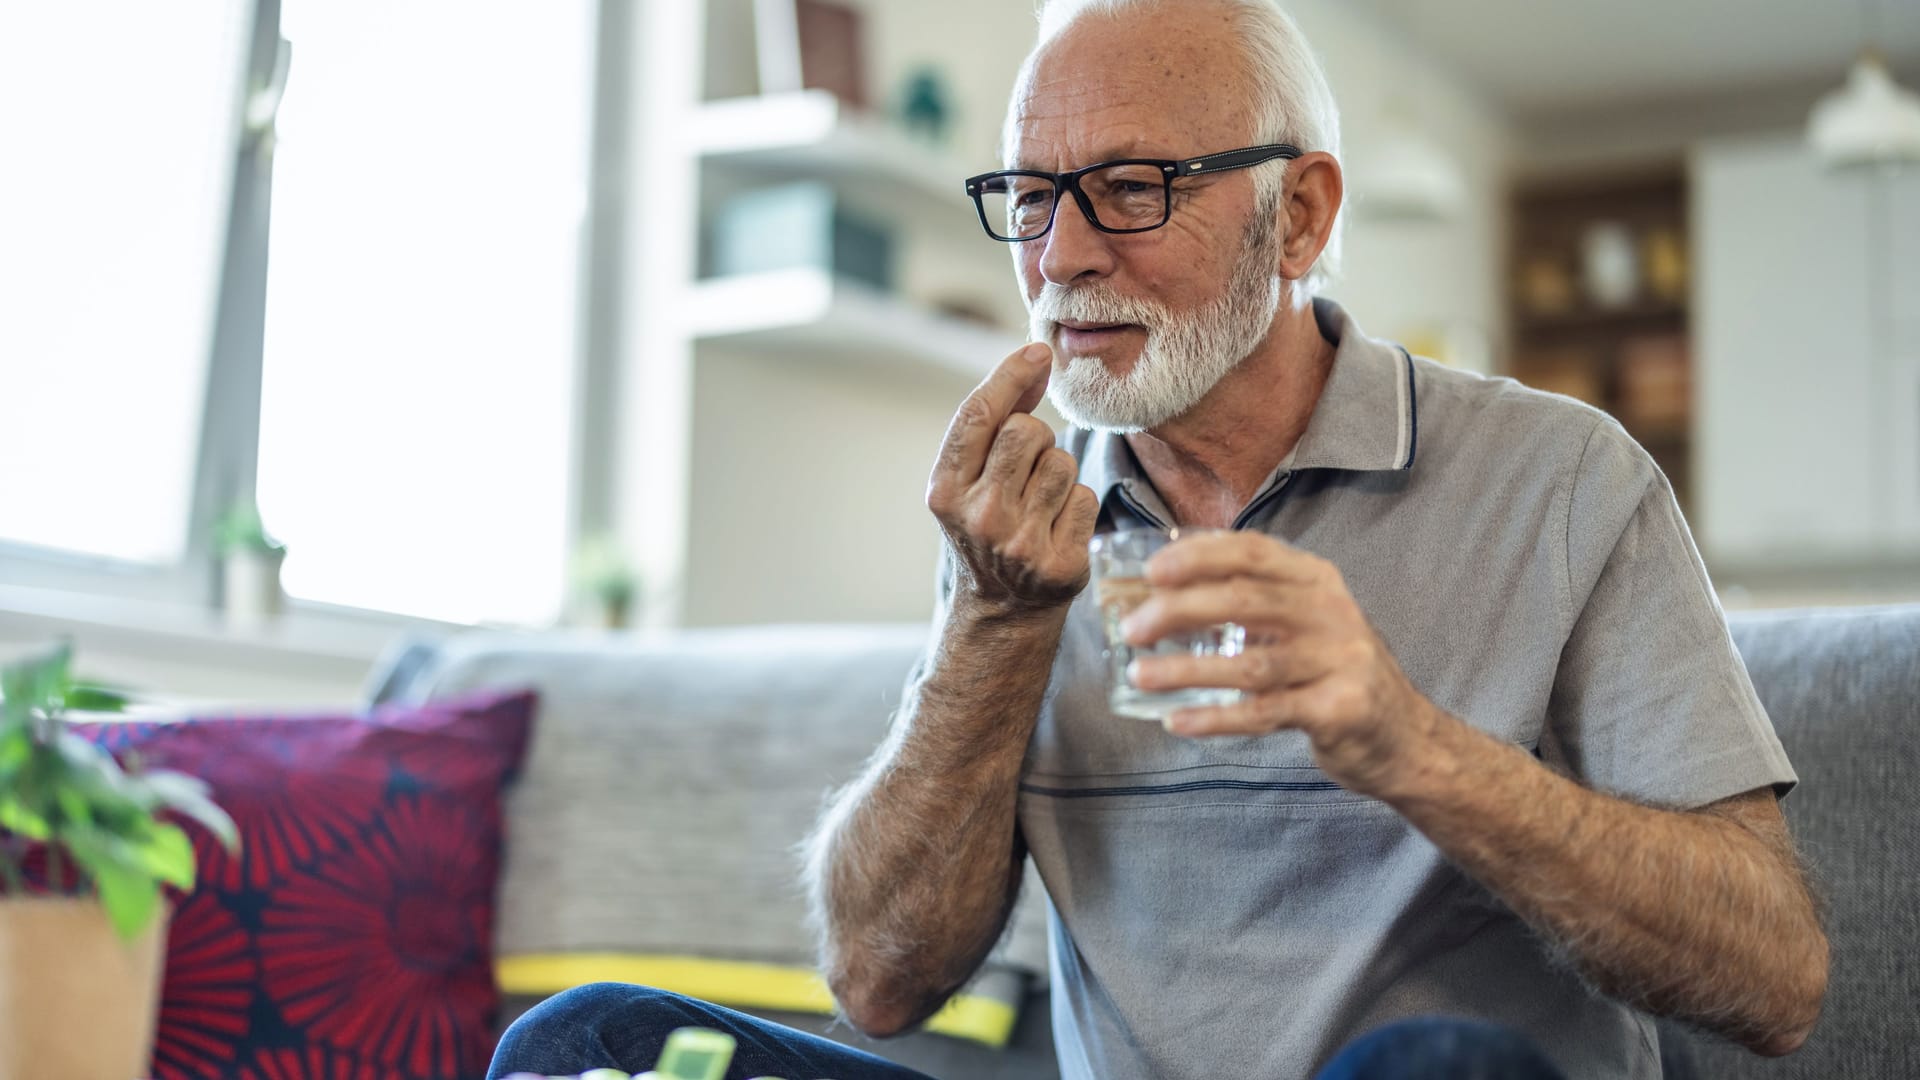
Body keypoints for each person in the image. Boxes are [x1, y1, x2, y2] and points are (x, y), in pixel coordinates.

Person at [490, 1, 1829, 1077]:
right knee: (587, 1045)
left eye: (1130, 188)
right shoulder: (1023, 515)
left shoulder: (1562, 480)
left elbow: (1774, 981)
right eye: (1029, 194)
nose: (1061, 254)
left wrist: (1408, 747)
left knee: (1433, 1065)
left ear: (1297, 215)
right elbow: (883, 981)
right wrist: (993, 622)